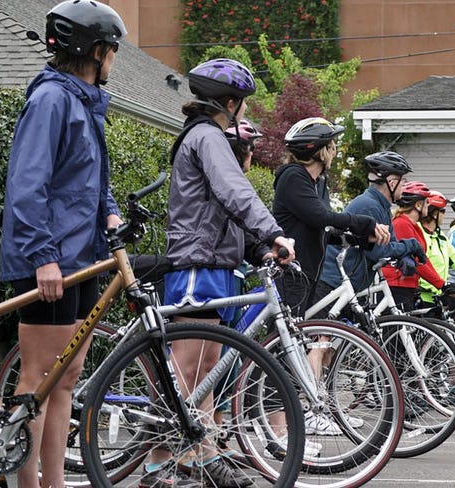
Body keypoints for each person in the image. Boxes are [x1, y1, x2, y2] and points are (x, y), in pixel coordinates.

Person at [0, 2, 126, 487]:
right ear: (95, 51)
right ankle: (26, 482)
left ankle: (54, 480)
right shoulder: (52, 100)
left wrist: (110, 210)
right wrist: (43, 258)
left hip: (84, 257)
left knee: (67, 377)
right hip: (52, 260)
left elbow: (89, 178)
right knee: (38, 380)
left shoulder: (85, 100)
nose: (114, 58)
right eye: (112, 49)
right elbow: (28, 186)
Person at [161, 58, 295, 487]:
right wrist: (274, 232)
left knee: (206, 371)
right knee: (189, 371)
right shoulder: (207, 137)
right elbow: (235, 190)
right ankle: (165, 459)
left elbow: (227, 203)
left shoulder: (204, 135)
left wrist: (259, 247)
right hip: (197, 263)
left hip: (213, 263)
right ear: (232, 102)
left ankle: (198, 454)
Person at [273, 116, 388, 316]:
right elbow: (321, 216)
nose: (335, 151)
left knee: (301, 335)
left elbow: (322, 230)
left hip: (308, 273)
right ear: (321, 150)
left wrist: (359, 238)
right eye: (332, 145)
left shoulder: (317, 182)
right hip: (291, 272)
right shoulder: (293, 176)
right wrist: (365, 223)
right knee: (285, 339)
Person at [314, 151, 427, 303]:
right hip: (333, 283)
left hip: (348, 285)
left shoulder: (383, 207)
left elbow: (391, 243)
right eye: (403, 181)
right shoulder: (369, 206)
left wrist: (404, 254)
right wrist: (411, 245)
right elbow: (378, 251)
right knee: (322, 327)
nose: (404, 186)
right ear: (392, 184)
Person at [381, 181, 452, 311]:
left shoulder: (412, 225)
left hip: (405, 286)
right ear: (418, 205)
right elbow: (418, 262)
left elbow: (423, 258)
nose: (429, 205)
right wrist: (441, 284)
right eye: (427, 202)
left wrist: (443, 284)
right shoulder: (401, 224)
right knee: (396, 330)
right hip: (397, 287)